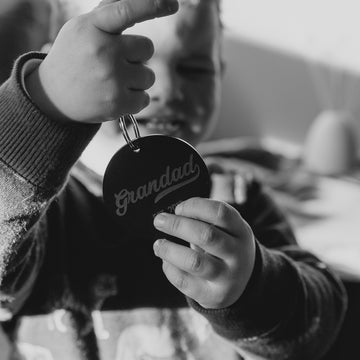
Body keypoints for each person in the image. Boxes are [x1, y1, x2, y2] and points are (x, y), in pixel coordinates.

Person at [0, 0, 346, 359]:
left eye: (195, 68)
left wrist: (251, 287)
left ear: (220, 73)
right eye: (130, 63)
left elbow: (318, 325)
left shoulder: (237, 197)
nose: (165, 86)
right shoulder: (37, 211)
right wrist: (45, 100)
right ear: (58, 61)